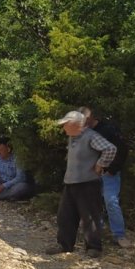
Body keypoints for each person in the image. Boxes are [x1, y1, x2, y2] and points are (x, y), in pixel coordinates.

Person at [46, 110, 117, 258]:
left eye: (66, 124)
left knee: (90, 216)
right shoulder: (73, 137)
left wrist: (101, 164)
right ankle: (65, 245)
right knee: (65, 216)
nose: (64, 128)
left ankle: (94, 248)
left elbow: (110, 148)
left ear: (76, 125)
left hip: (88, 183)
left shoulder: (91, 136)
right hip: (71, 183)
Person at [79, 106, 131, 248]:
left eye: (85, 119)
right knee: (92, 203)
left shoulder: (108, 130)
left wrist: (112, 169)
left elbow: (122, 149)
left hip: (109, 173)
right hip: (91, 174)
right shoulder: (84, 133)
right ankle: (95, 233)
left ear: (92, 118)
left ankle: (119, 235)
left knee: (111, 201)